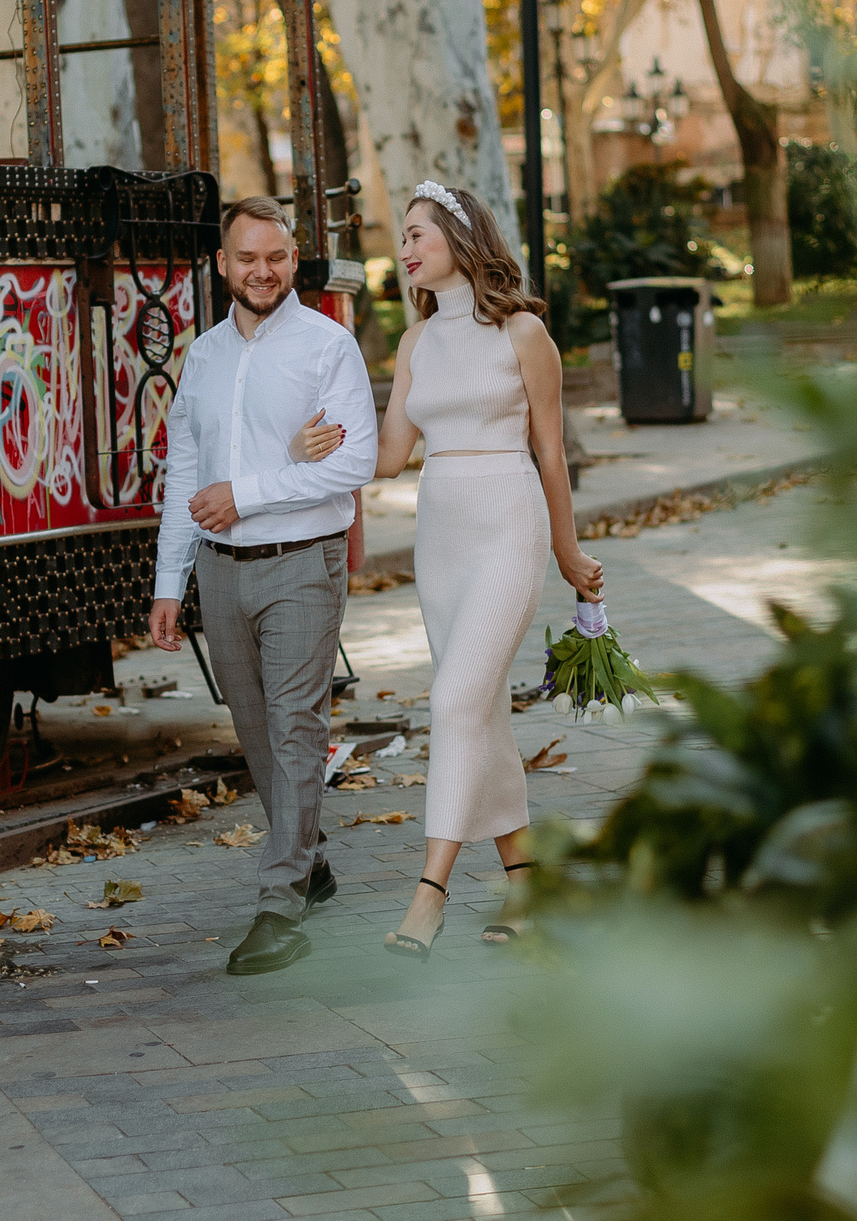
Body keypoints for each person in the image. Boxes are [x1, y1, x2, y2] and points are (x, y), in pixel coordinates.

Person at [294, 182, 604, 957]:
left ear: (461, 240)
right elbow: (393, 456)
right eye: (403, 236)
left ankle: (427, 892)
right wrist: (324, 438)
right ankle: (527, 883)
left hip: (508, 519)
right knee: (480, 709)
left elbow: (550, 453)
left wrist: (568, 551)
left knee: (456, 695)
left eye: (418, 233)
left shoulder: (526, 333)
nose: (404, 248)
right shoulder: (415, 343)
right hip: (442, 533)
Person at [148, 196, 378, 976]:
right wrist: (167, 583)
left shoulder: (328, 346)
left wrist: (248, 491)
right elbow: (185, 471)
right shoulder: (204, 357)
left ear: (292, 257)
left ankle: (280, 907)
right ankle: (308, 862)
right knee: (254, 735)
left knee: (294, 728)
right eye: (247, 258)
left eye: (276, 256)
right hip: (220, 569)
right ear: (223, 264)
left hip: (303, 562)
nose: (263, 271)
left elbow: (353, 462)